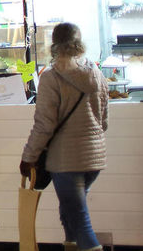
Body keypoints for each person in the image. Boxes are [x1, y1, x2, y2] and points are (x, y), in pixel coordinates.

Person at [20, 23, 109, 251]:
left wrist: (28, 157)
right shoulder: (96, 73)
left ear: (54, 45)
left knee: (79, 219)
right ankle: (70, 245)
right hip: (94, 160)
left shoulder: (51, 77)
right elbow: (104, 120)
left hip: (66, 160)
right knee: (70, 210)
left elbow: (44, 125)